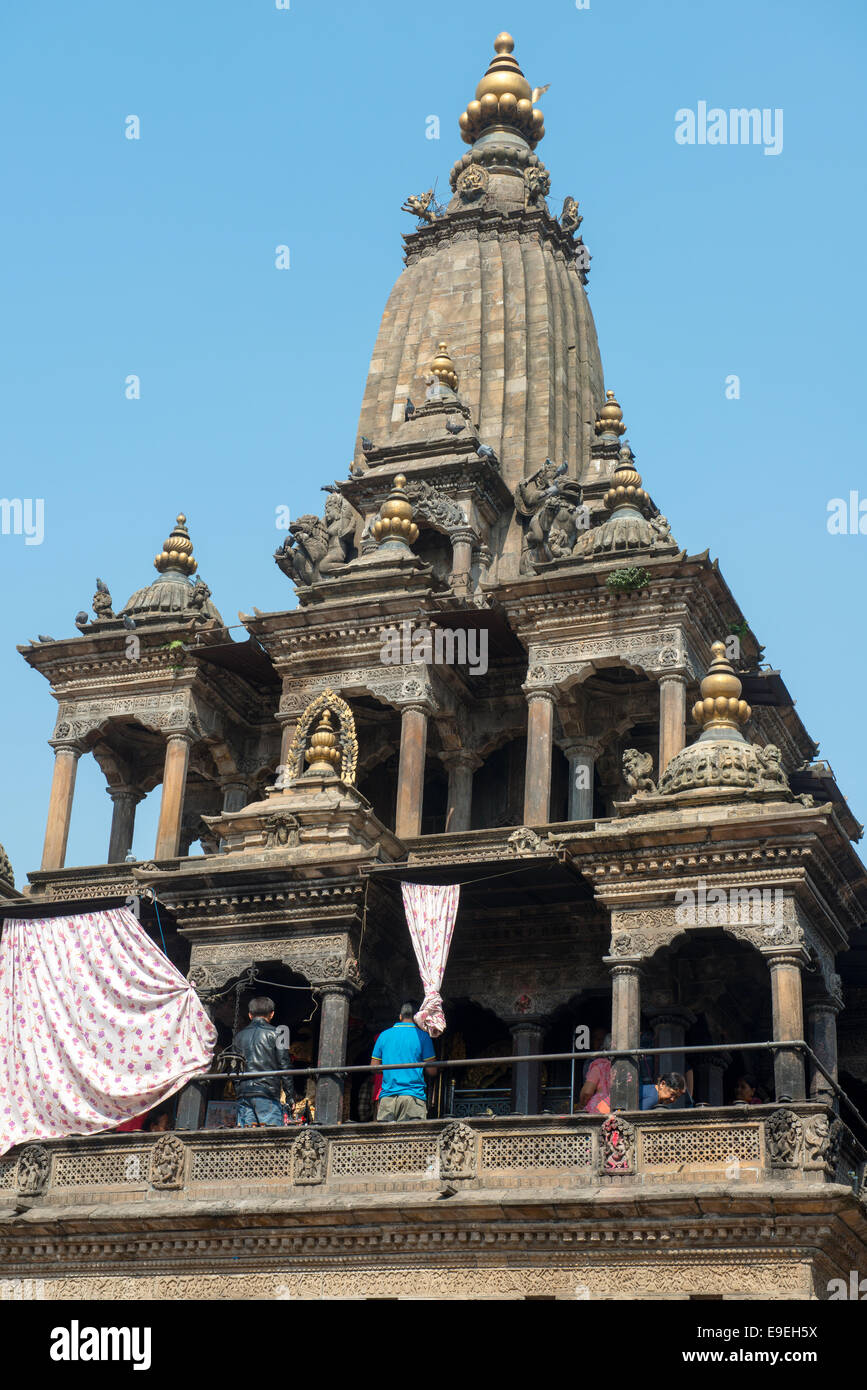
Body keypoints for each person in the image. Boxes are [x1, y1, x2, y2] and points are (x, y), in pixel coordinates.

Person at [234, 995, 294, 1127]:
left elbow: (235, 1067)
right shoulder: (279, 1033)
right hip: (267, 1092)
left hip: (244, 1093)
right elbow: (284, 1065)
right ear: (271, 1014)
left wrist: (238, 1089)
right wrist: (290, 1096)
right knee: (271, 1140)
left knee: (246, 1140)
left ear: (250, 1015)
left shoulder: (239, 1036)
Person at [371, 1003, 437, 1121]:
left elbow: (374, 1067)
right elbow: (432, 1071)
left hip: (388, 1097)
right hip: (413, 1096)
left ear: (400, 1016)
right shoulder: (423, 1036)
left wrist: (391, 1069)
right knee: (411, 1138)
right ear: (417, 1018)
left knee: (387, 1138)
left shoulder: (383, 1035)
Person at [579, 1033, 611, 1113]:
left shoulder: (600, 1066)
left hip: (599, 1108)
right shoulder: (624, 1066)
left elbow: (587, 1092)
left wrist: (582, 1104)